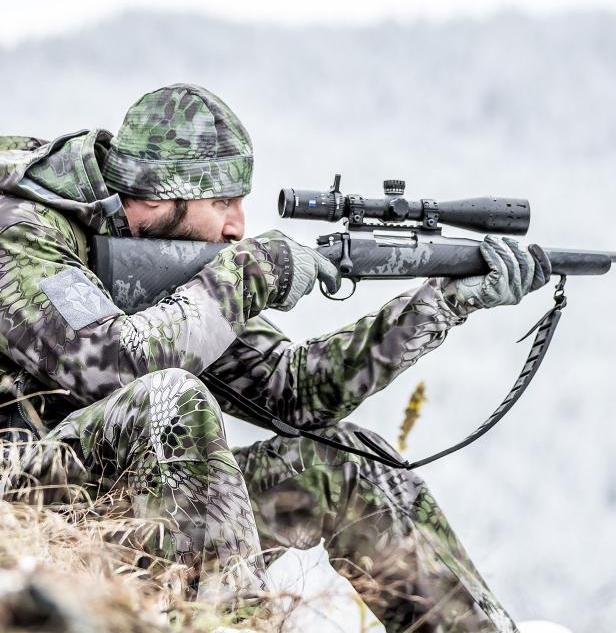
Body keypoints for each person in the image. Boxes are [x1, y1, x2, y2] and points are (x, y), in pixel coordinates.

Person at [0, 83, 543, 631]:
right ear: (161, 197)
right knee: (169, 399)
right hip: (21, 507)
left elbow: (295, 394)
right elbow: (110, 366)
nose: (237, 225)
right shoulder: (20, 227)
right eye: (222, 204)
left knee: (347, 464)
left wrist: (442, 303)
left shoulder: (162, 260)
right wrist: (250, 274)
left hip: (124, 510)